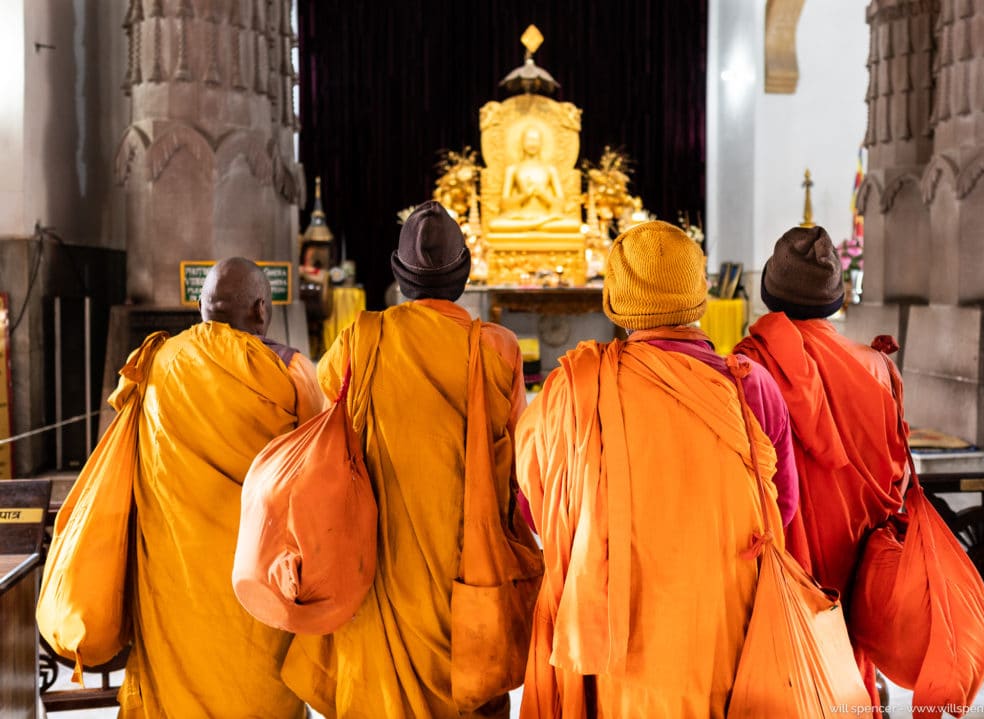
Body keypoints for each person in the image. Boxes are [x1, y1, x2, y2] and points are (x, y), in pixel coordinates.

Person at [516, 220, 798, 718]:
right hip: (730, 626)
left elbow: (537, 509)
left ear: (616, 304)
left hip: (621, 634)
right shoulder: (750, 386)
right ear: (700, 296)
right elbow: (785, 509)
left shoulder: (575, 389)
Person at [281, 200, 534, 718]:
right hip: (470, 565)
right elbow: (523, 460)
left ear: (400, 278)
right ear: (464, 277)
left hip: (377, 562)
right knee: (471, 685)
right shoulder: (499, 348)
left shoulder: (362, 338)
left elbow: (318, 427)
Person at [113, 257, 324, 717]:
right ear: (260, 310)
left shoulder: (158, 365)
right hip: (256, 591)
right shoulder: (288, 373)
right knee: (258, 693)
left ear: (202, 308)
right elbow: (323, 471)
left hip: (173, 584)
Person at [733, 225, 909, 716]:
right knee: (853, 662)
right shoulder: (878, 367)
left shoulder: (750, 368)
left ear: (769, 294)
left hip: (787, 551)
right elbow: (898, 477)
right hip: (861, 552)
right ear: (835, 300)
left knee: (791, 675)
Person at [490, 125, 580, 233]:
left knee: (573, 225)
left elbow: (560, 203)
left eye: (536, 140)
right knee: (495, 224)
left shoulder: (550, 169)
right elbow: (504, 203)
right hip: (519, 218)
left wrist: (543, 195)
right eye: (529, 140)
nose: (532, 144)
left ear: (541, 143)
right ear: (522, 143)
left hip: (547, 218)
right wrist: (524, 195)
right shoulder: (513, 169)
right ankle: (530, 227)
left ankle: (533, 227)